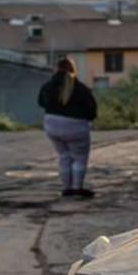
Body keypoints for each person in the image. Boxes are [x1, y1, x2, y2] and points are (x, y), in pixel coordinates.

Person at [38, 57, 97, 198]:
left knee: (64, 156)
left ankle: (66, 189)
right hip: (75, 126)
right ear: (73, 69)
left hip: (51, 124)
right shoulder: (80, 88)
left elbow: (41, 102)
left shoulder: (47, 86)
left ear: (56, 68)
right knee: (79, 158)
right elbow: (91, 110)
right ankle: (77, 189)